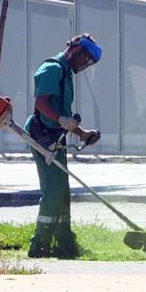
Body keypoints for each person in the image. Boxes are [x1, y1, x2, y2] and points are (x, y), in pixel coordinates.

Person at [25, 34, 102, 259]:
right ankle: (39, 244)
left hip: (56, 136)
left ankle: (65, 244)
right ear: (75, 50)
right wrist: (60, 120)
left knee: (63, 191)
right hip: (42, 136)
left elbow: (65, 117)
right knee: (53, 190)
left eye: (88, 62)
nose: (84, 65)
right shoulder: (53, 68)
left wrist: (83, 133)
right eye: (84, 59)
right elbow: (41, 102)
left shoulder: (66, 73)